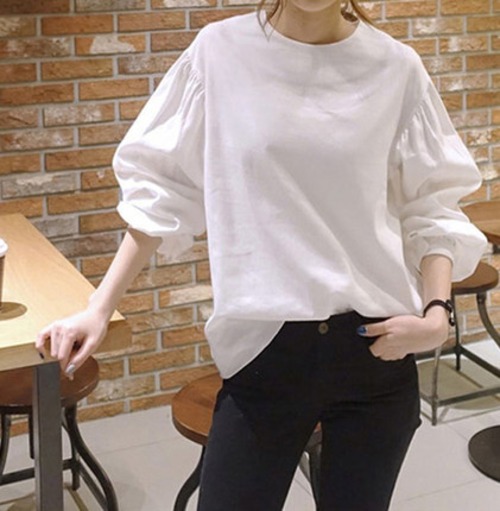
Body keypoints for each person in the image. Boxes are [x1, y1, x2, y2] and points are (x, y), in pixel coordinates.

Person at [36, 0, 488, 509]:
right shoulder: (220, 53)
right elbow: (162, 189)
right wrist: (99, 307)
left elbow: (431, 204)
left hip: (376, 348)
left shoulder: (396, 68)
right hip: (265, 350)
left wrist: (436, 315)